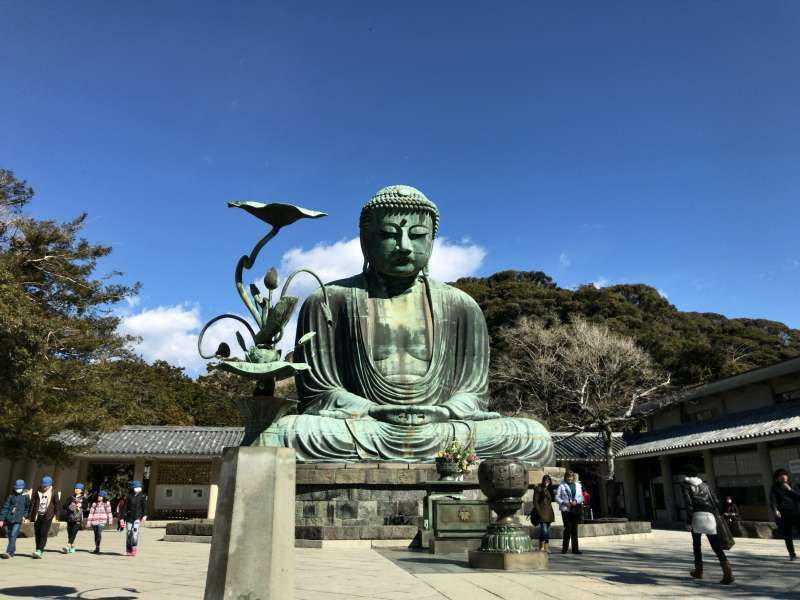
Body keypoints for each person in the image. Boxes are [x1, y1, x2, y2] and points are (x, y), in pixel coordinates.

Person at [261, 185, 554, 464]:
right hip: (365, 426)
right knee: (282, 434)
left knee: (533, 436)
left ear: (431, 241)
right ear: (366, 241)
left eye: (416, 235)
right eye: (389, 234)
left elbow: (474, 394)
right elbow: (319, 392)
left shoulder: (462, 306)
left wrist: (444, 412)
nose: (404, 246)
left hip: (443, 427)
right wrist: (371, 409)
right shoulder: (328, 300)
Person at [682, 465, 733, 584]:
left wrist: (688, 522)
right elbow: (715, 501)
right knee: (716, 546)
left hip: (696, 516)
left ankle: (698, 571)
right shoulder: (705, 485)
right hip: (710, 515)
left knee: (696, 545)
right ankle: (728, 573)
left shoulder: (685, 485)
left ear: (687, 475)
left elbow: (688, 505)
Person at [770, 468, 800, 560]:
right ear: (777, 478)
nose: (783, 477)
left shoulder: (793, 485)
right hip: (784, 515)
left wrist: (790, 489)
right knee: (788, 536)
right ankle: (792, 554)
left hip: (797, 514)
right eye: (781, 476)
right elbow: (772, 500)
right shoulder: (774, 488)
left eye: (785, 476)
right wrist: (775, 510)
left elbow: (798, 497)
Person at [28, 475, 60, 559]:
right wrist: (29, 516)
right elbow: (32, 504)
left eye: (46, 486)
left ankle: (40, 550)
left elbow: (57, 505)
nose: (45, 487)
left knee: (43, 533)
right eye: (43, 485)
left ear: (50, 485)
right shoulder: (37, 491)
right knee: (37, 533)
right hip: (37, 515)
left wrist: (57, 516)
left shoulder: (54, 492)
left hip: (48, 516)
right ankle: (37, 549)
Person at [0, 479, 31, 559]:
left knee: (13, 534)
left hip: (18, 519)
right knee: (10, 535)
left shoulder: (26, 496)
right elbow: (5, 507)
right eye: (16, 488)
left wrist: (25, 516)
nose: (17, 489)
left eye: (19, 488)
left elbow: (28, 508)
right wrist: (1, 519)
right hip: (9, 518)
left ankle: (8, 552)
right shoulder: (11, 496)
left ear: (23, 487)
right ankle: (12, 550)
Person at [555, 470, 584, 554]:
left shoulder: (578, 485)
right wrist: (564, 502)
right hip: (566, 509)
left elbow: (581, 497)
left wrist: (576, 500)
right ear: (565, 477)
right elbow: (557, 497)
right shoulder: (562, 485)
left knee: (574, 529)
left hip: (575, 508)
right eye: (568, 476)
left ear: (573, 477)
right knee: (567, 528)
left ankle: (575, 549)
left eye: (571, 476)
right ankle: (565, 548)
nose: (570, 478)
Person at [121, 480, 147, 557]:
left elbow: (144, 507)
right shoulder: (128, 496)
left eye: (139, 487)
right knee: (129, 533)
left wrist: (144, 516)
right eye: (136, 487)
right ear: (133, 488)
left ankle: (134, 548)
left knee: (135, 533)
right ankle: (128, 550)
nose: (138, 488)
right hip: (129, 517)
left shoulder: (142, 497)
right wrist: (122, 518)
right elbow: (125, 507)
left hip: (137, 517)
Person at [532, 474, 555, 552]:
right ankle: (543, 547)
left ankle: (545, 547)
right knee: (544, 531)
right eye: (545, 480)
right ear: (543, 481)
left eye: (548, 481)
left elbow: (551, 500)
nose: (546, 482)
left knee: (547, 531)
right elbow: (535, 501)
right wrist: (539, 512)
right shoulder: (539, 489)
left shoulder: (549, 489)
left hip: (549, 513)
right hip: (542, 513)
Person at [62, 483, 85, 554]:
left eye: (78, 489)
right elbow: (64, 505)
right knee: (70, 533)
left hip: (78, 518)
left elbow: (86, 506)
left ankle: (68, 546)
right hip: (70, 518)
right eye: (75, 488)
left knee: (74, 532)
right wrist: (71, 507)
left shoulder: (84, 498)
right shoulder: (71, 497)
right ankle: (72, 546)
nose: (76, 490)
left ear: (81, 490)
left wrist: (81, 505)